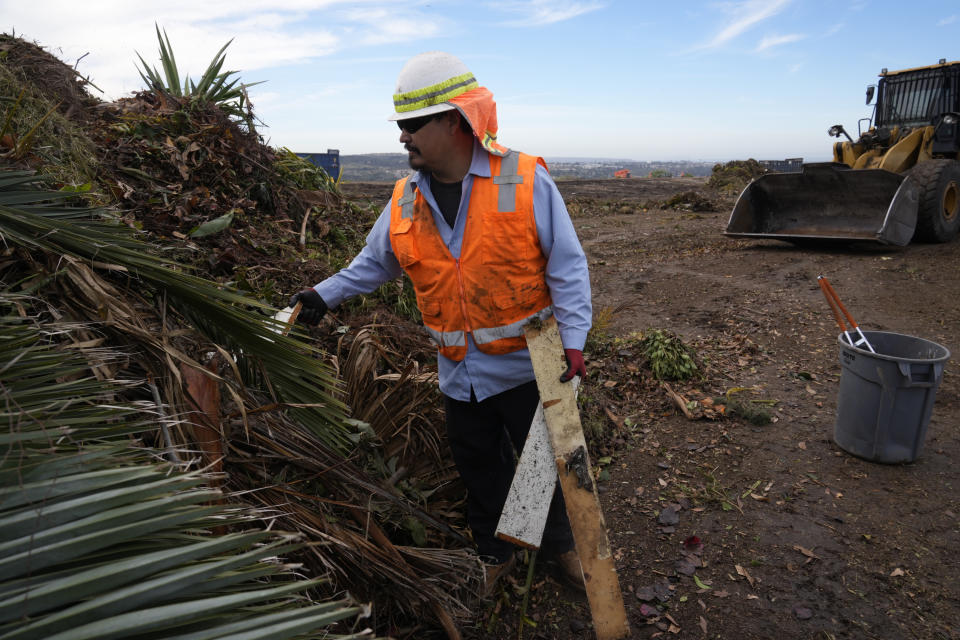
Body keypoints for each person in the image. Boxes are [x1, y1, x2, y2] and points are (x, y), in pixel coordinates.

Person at [290, 51, 592, 596]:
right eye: (401, 126)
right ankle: (496, 556)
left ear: (453, 120)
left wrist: (573, 343)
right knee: (478, 467)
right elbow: (373, 263)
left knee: (543, 465)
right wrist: (323, 295)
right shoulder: (405, 198)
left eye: (411, 125)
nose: (403, 138)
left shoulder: (523, 179)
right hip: (460, 372)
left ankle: (560, 548)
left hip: (531, 363)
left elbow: (567, 267)